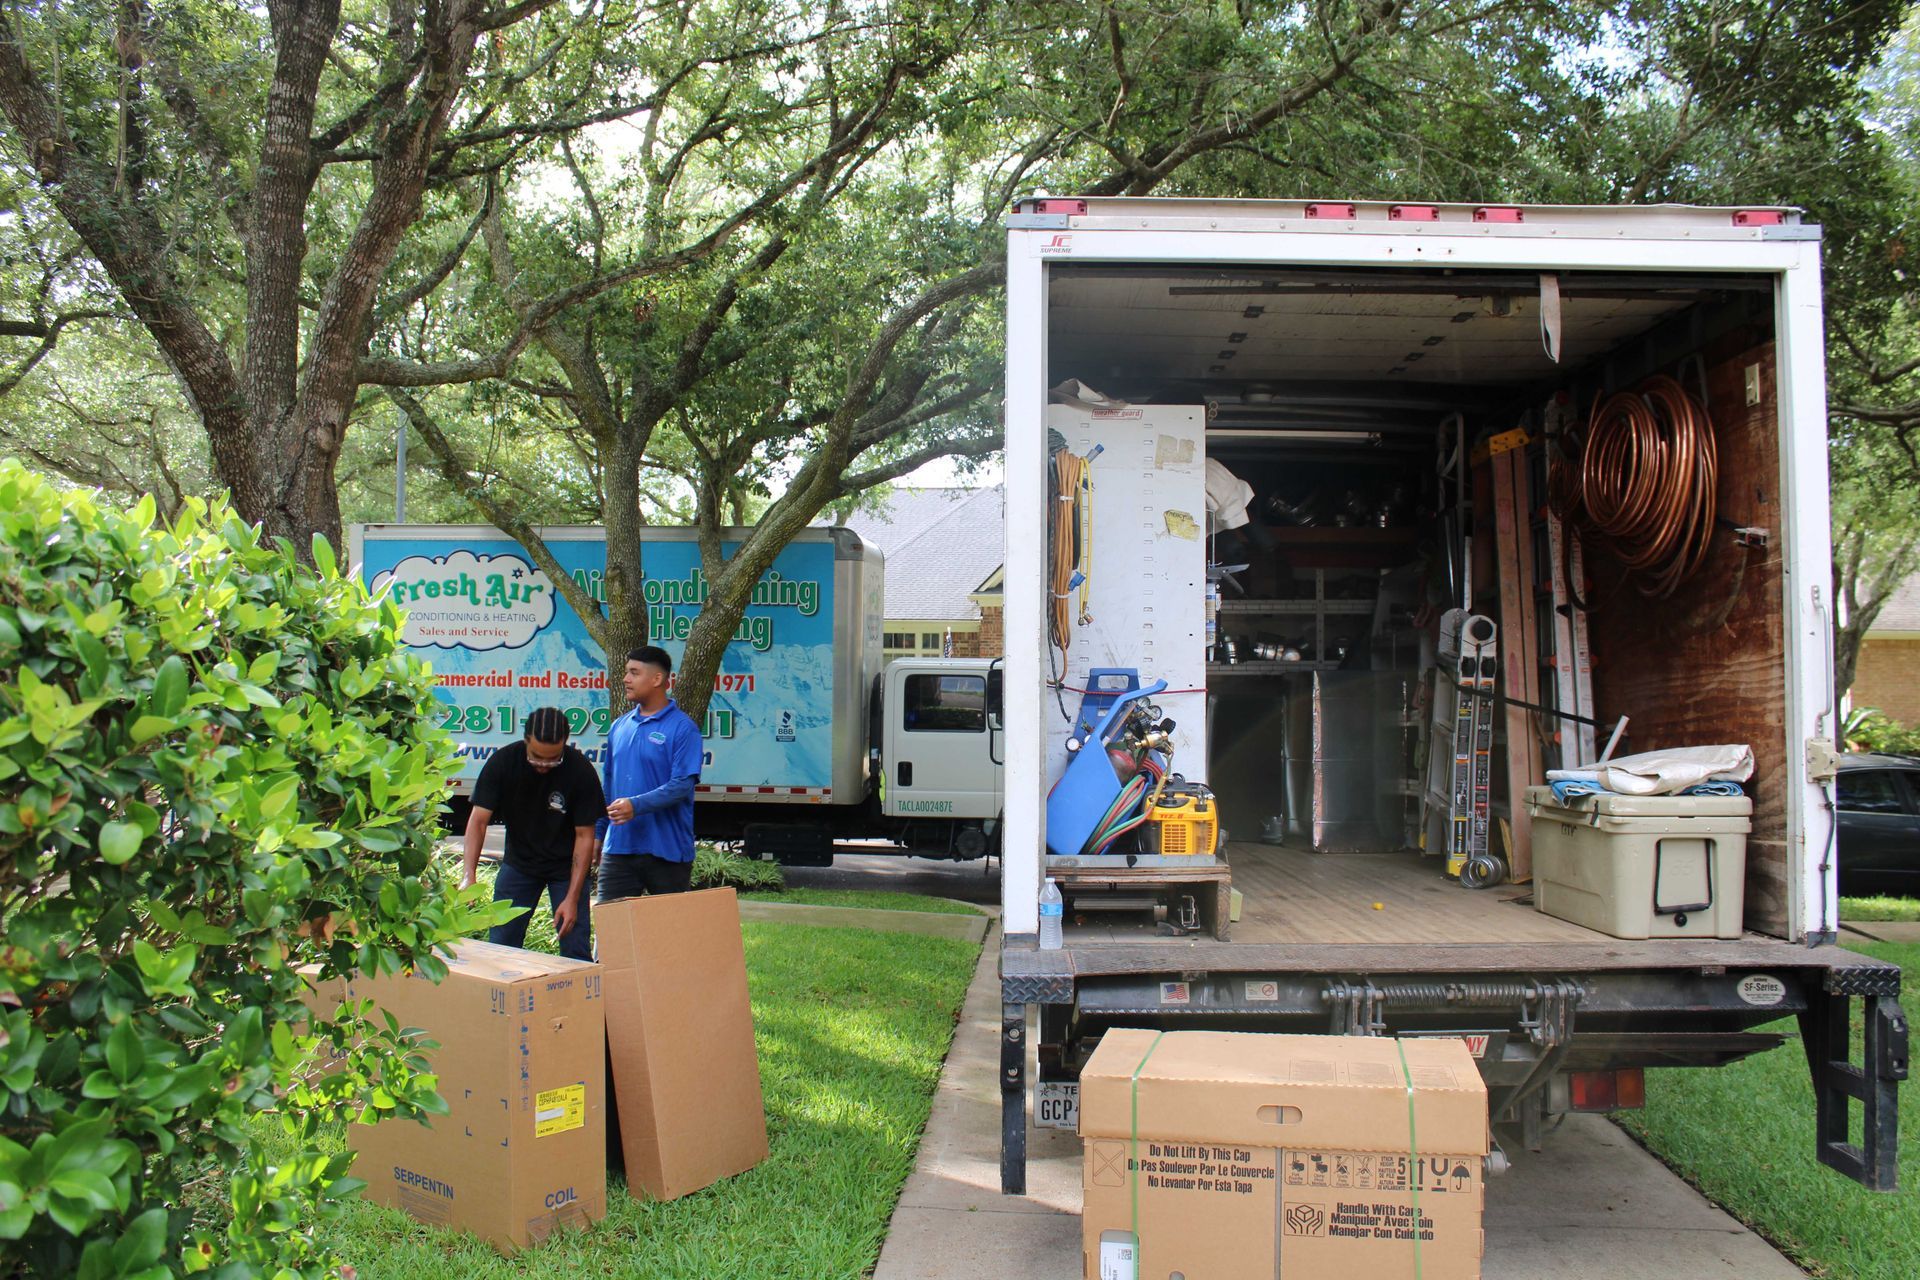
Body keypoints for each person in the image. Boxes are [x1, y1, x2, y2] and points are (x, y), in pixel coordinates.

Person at [461, 707, 604, 961]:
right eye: (537, 757)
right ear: (526, 741)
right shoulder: (503, 763)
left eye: (553, 759)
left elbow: (584, 836)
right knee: (502, 945)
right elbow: (478, 822)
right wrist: (468, 875)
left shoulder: (580, 771)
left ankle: (579, 1000)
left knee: (574, 947)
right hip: (519, 865)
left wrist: (572, 898)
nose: (544, 766)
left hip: (565, 870)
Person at [596, 645, 705, 901]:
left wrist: (635, 805)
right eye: (626, 672)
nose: (625, 679)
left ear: (657, 679)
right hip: (619, 849)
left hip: (667, 851)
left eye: (634, 672)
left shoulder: (683, 728)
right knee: (613, 933)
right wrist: (599, 833)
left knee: (669, 936)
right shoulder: (618, 727)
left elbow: (681, 785)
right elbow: (608, 785)